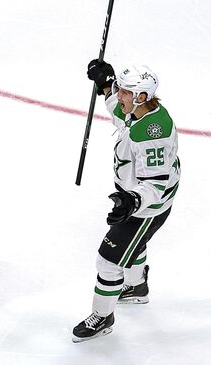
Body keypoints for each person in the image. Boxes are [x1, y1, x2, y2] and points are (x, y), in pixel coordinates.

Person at [72, 60, 181, 342]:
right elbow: (120, 113)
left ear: (141, 97)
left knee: (108, 261)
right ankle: (136, 286)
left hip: (146, 208)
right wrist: (106, 84)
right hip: (138, 199)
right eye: (119, 89)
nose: (119, 96)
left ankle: (103, 315)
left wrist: (131, 201)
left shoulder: (151, 134)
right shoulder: (137, 110)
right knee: (134, 246)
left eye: (123, 91)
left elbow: (155, 185)